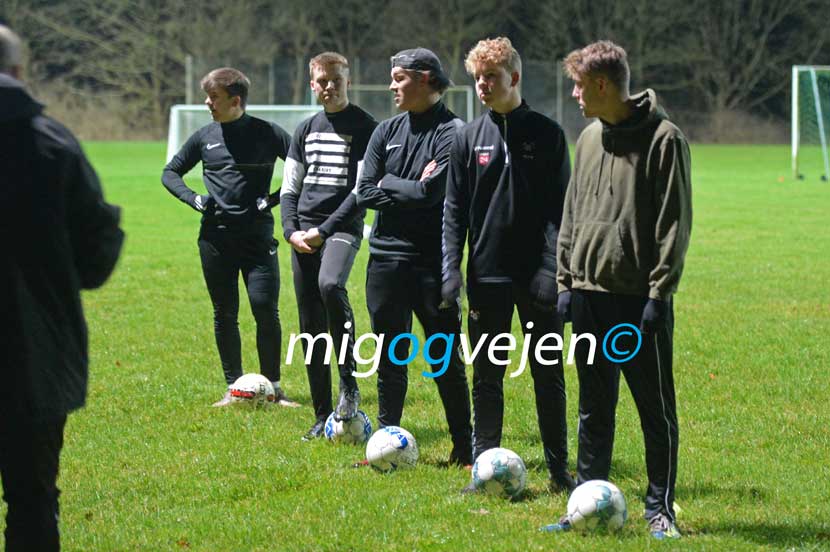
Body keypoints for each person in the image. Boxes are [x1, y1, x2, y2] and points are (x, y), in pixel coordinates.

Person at [548, 41, 692, 539]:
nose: (574, 95)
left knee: (655, 409)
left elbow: (674, 223)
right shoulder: (588, 138)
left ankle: (660, 510)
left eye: (579, 86)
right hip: (588, 295)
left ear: (602, 85)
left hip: (639, 301)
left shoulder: (665, 139)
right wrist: (566, 282)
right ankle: (585, 504)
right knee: (593, 406)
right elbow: (571, 213)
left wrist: (658, 294)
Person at [0, 24, 124, 551]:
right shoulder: (52, 145)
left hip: (35, 353)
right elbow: (96, 258)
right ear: (19, 70)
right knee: (32, 501)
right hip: (33, 355)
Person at [443, 37, 574, 493]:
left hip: (538, 280)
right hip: (487, 278)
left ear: (514, 78)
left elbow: (562, 213)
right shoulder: (466, 138)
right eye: (478, 77)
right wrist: (451, 269)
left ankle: (559, 471)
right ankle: (483, 470)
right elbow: (454, 212)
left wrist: (552, 271)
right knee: (486, 378)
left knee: (548, 375)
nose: (482, 85)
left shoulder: (548, 134)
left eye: (491, 77)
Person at [356, 48, 473, 466]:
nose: (391, 86)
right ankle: (384, 447)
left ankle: (464, 448)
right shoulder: (385, 130)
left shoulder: (453, 132)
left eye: (399, 78)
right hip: (384, 261)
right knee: (390, 357)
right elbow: (364, 191)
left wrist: (389, 183)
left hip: (431, 264)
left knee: (443, 359)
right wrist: (406, 186)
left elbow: (432, 193)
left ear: (425, 79)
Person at [162, 67, 298, 407]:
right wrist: (194, 199)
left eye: (214, 98)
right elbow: (170, 172)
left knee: (265, 309)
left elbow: (303, 167)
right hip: (215, 240)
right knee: (224, 313)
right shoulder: (204, 137)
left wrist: (273, 200)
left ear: (235, 101)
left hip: (258, 240)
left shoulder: (268, 133)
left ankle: (274, 388)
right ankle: (233, 387)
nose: (207, 103)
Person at [280, 52, 378, 440]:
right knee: (310, 325)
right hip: (302, 233)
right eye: (322, 81)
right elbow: (290, 189)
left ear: (348, 81)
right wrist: (291, 231)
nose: (329, 87)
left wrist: (324, 230)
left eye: (336, 80)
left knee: (330, 284)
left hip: (341, 228)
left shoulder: (366, 127)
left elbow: (360, 192)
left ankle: (348, 382)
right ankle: (322, 416)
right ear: (312, 85)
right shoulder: (305, 129)